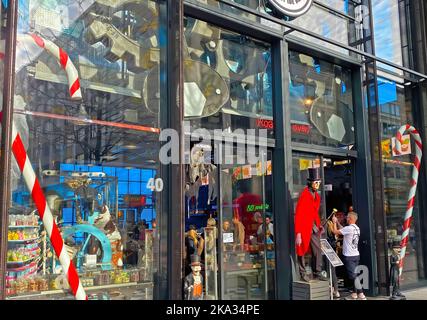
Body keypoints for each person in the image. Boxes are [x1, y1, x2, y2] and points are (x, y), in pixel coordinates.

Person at [295, 167, 328, 282]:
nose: (318, 185)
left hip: (313, 227)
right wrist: (298, 233)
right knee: (301, 250)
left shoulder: (317, 197)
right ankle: (302, 272)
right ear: (310, 183)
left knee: (317, 249)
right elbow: (298, 214)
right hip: (304, 227)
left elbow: (315, 213)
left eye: (319, 182)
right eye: (316, 182)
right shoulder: (304, 195)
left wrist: (319, 225)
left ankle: (317, 271)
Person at [332, 211, 367, 300]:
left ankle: (361, 294)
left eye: (347, 217)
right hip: (356, 255)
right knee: (355, 274)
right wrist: (339, 223)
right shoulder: (356, 228)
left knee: (353, 276)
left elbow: (335, 232)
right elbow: (343, 229)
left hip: (349, 257)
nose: (346, 218)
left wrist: (334, 222)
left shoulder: (349, 229)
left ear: (350, 219)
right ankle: (354, 294)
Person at [233, 179, 263, 244]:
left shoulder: (238, 201)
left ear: (239, 189)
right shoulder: (258, 198)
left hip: (245, 233)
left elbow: (238, 219)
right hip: (258, 231)